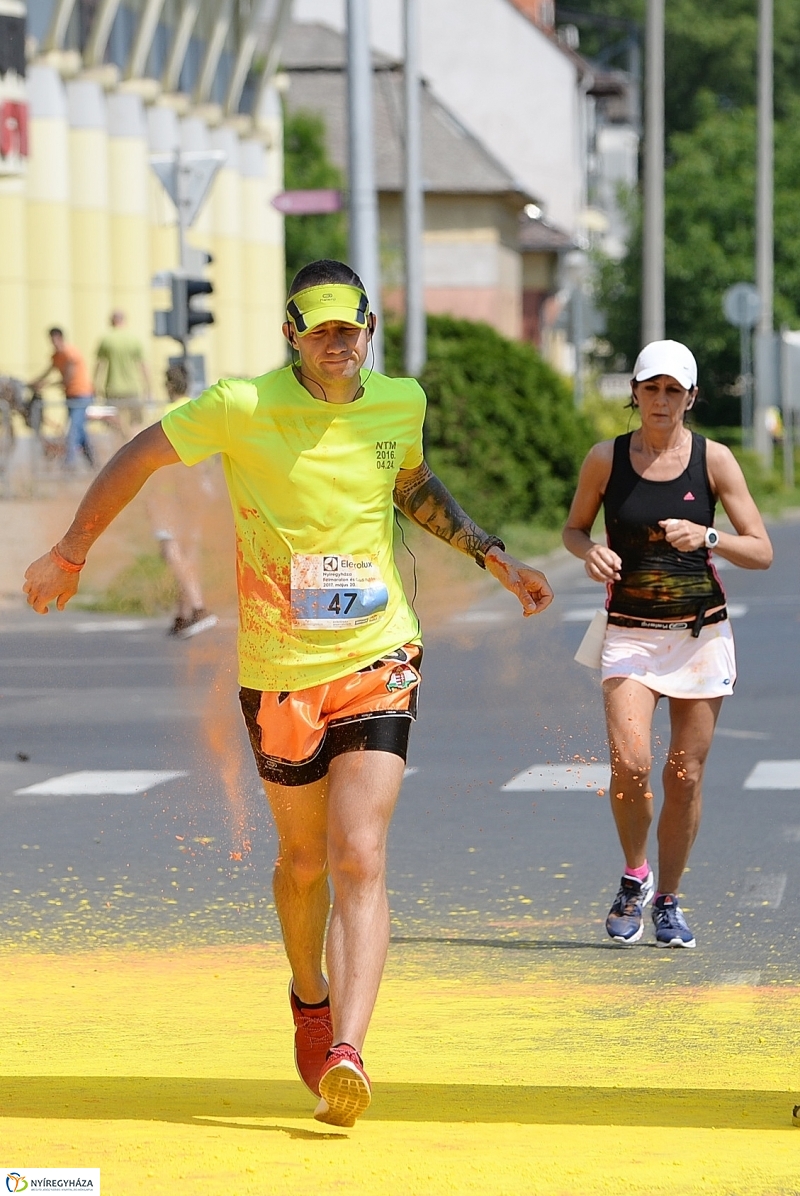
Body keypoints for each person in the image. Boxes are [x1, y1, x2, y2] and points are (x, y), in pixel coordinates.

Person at [23, 259, 554, 1127]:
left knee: (359, 854)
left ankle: (349, 1047)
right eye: (322, 331)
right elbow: (137, 455)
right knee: (304, 862)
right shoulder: (241, 404)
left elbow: (411, 484)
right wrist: (71, 553)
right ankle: (309, 996)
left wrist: (495, 556)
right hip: (279, 670)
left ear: (369, 330)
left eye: (352, 330)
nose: (339, 345)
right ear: (291, 334)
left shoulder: (400, 401)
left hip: (380, 653)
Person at [563, 340, 772, 950]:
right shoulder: (606, 459)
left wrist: (709, 534)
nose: (661, 401)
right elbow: (574, 529)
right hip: (628, 631)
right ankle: (635, 875)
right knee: (630, 764)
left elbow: (761, 549)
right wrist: (590, 551)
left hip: (700, 635)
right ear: (634, 393)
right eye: (650, 389)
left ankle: (669, 901)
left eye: (673, 390)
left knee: (684, 774)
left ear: (691, 397)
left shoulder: (714, 460)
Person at [147, 363, 218, 638]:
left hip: (168, 493)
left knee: (171, 550)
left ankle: (199, 607)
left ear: (167, 385)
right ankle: (183, 614)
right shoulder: (199, 411)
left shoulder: (163, 414)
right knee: (189, 551)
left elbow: (150, 455)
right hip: (197, 490)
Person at [29, 328, 95, 469]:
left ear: (60, 338)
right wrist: (35, 382)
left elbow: (68, 378)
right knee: (80, 429)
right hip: (70, 395)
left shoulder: (70, 353)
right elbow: (48, 371)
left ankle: (69, 464)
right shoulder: (56, 356)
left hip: (82, 394)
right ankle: (93, 462)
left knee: (73, 429)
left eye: (55, 339)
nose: (53, 343)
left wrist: (46, 385)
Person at [94, 310, 152, 439]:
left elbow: (99, 365)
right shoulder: (134, 339)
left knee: (114, 424)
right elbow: (143, 366)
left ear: (111, 321)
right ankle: (133, 448)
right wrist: (148, 387)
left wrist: (95, 386)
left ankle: (120, 449)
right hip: (132, 388)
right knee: (136, 423)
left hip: (113, 389)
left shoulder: (106, 340)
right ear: (124, 321)